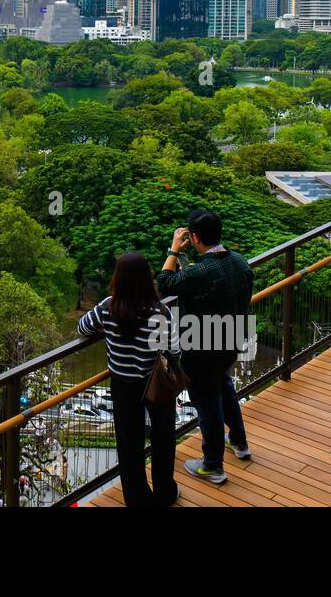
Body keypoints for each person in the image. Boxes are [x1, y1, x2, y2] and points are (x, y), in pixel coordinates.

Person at [157, 209, 253, 486]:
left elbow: (164, 283)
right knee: (224, 387)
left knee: (208, 405)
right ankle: (239, 441)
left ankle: (213, 466)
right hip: (231, 341)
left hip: (201, 347)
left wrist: (173, 250)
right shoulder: (239, 261)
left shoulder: (200, 271)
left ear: (194, 237)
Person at [77, 251, 179, 506]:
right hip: (154, 383)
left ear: (118, 278)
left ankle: (137, 498)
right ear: (147, 277)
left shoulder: (108, 307)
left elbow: (82, 328)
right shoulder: (160, 311)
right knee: (163, 438)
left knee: (129, 443)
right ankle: (165, 493)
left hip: (123, 384)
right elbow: (174, 349)